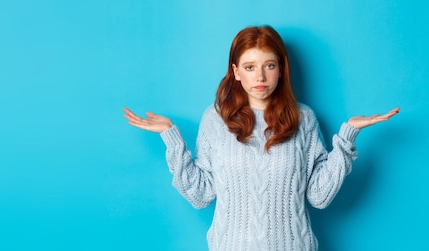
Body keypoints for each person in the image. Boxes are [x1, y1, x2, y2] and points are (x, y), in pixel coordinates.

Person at [123, 25, 399, 251]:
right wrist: (171, 138)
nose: (261, 76)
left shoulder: (303, 118)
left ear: (281, 69)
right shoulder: (216, 118)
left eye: (269, 65)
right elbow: (201, 194)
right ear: (236, 72)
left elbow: (319, 196)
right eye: (250, 66)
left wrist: (348, 136)